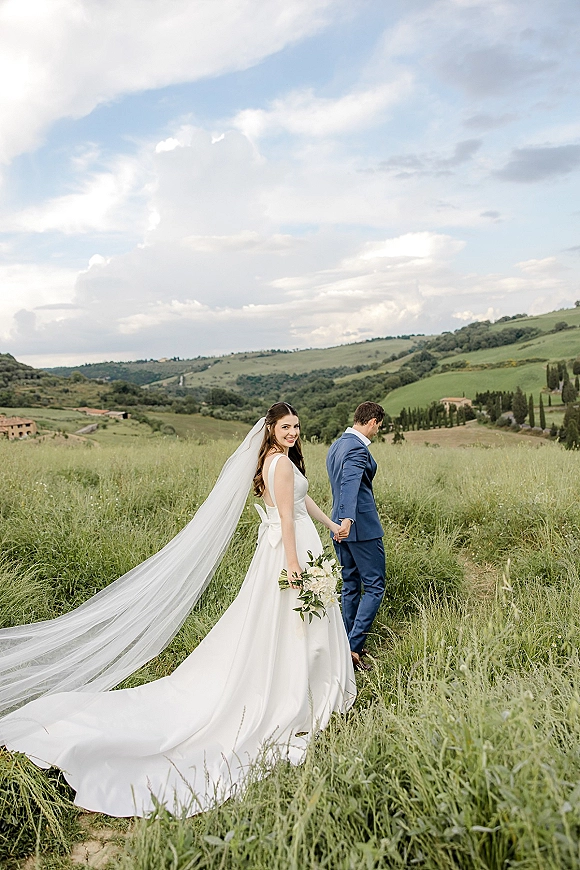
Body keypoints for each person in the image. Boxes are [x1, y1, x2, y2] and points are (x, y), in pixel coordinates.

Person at [0, 403, 355, 817]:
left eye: (296, 426)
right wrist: (294, 565)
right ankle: (292, 690)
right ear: (271, 430)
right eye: (285, 427)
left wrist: (331, 526)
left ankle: (309, 681)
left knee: (300, 624)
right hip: (289, 553)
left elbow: (301, 499)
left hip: (301, 545)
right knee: (288, 625)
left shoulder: (284, 462)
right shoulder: (277, 464)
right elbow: (286, 520)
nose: (293, 432)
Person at [326, 401, 386, 671]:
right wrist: (348, 519)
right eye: (379, 427)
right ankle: (353, 648)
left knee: (350, 585)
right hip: (358, 528)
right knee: (374, 586)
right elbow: (350, 483)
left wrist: (340, 521)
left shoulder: (337, 445)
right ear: (373, 421)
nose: (377, 431)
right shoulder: (357, 449)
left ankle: (344, 643)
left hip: (337, 526)